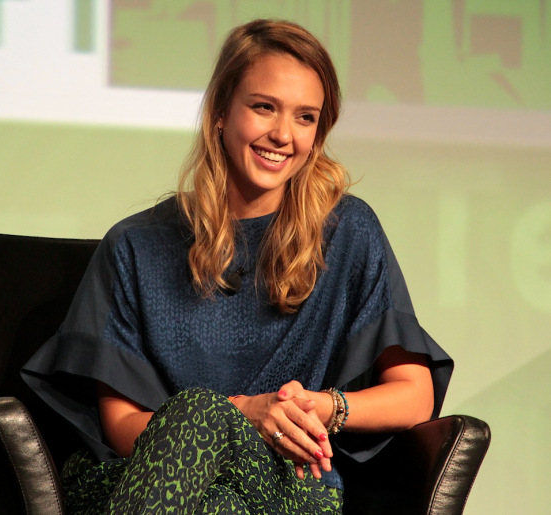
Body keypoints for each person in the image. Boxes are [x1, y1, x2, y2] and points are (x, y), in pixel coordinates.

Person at [22, 18, 453, 514]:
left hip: (287, 484)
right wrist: (239, 414)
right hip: (143, 478)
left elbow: (414, 395)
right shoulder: (135, 245)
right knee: (211, 474)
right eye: (264, 107)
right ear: (221, 113)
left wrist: (322, 406)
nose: (283, 134)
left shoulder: (348, 232)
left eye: (305, 117)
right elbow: (122, 427)